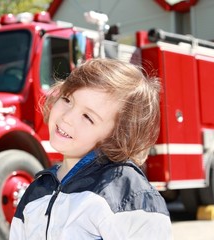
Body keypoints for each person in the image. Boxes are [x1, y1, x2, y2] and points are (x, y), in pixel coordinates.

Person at [9, 58, 173, 239]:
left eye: (88, 117)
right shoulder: (35, 192)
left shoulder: (130, 197)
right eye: (67, 99)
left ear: (117, 135)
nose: (67, 117)